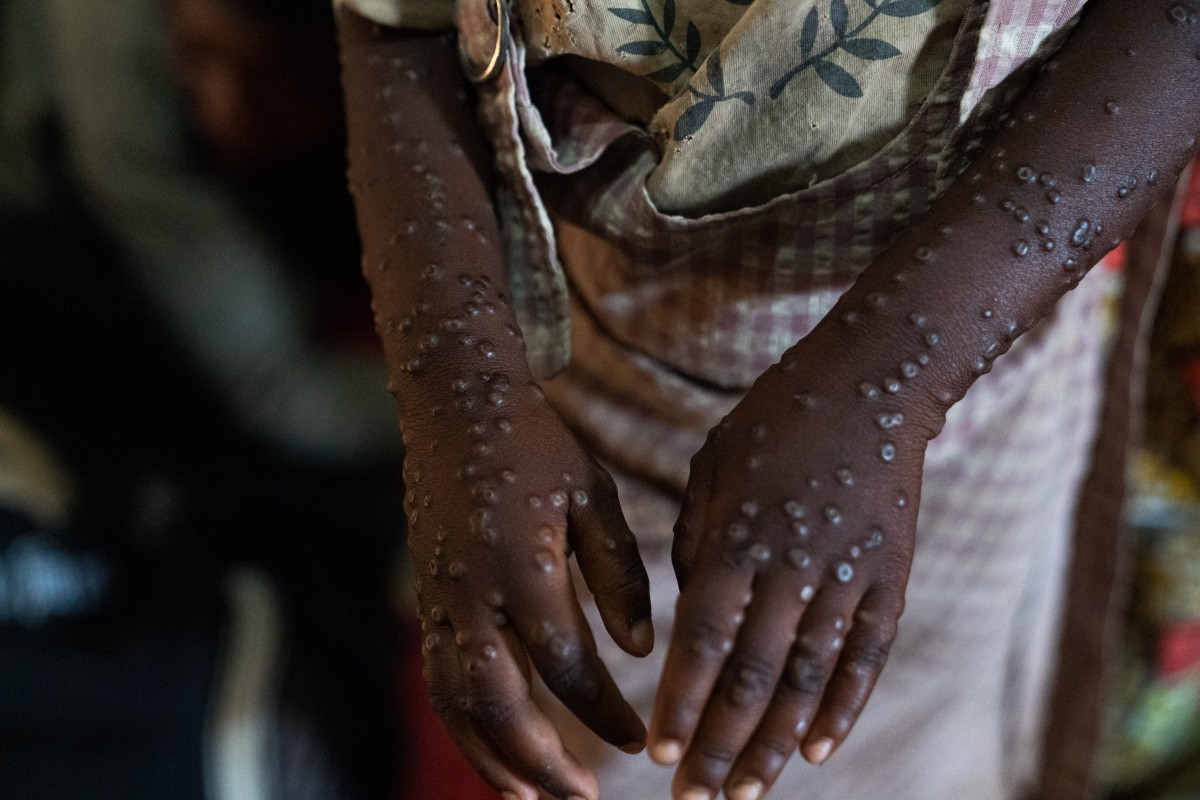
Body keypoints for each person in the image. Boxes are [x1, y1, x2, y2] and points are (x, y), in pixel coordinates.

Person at [333, 0, 1200, 798]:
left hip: (968, 358)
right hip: (586, 343)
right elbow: (397, 19)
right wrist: (461, 391)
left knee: (910, 737)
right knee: (614, 735)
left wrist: (887, 388)